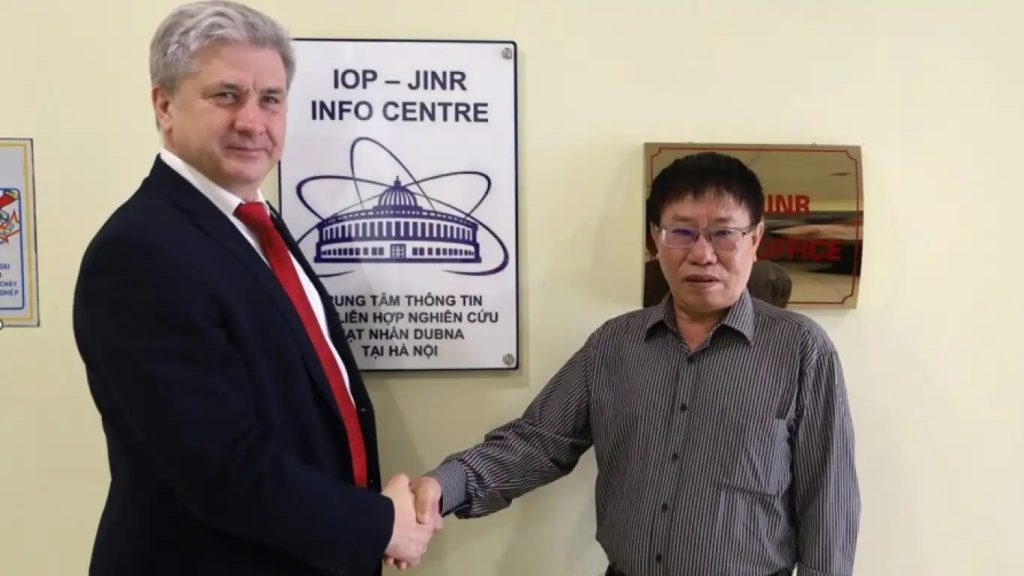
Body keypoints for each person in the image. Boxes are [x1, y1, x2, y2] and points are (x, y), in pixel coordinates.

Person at [72, 3, 433, 574]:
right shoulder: (140, 251)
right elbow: (219, 466)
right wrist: (379, 523)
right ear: (164, 106)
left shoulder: (254, 224)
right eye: (226, 95)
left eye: (270, 99)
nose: (252, 121)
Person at [410, 152, 860, 576]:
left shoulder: (801, 350)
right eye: (682, 232)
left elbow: (828, 498)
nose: (703, 254)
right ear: (655, 240)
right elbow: (537, 443)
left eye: (724, 233)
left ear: (755, 239)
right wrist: (443, 485)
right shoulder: (613, 345)